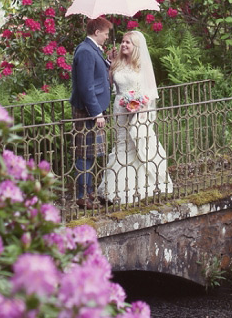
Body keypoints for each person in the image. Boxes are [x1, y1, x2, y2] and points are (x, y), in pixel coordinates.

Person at [98, 29, 173, 204]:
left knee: (137, 144)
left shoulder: (142, 66)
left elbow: (151, 93)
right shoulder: (117, 63)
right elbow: (109, 83)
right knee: (122, 144)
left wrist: (140, 107)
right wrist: (110, 62)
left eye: (128, 42)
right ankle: (117, 186)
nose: (124, 44)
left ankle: (142, 186)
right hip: (120, 109)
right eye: (123, 41)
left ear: (136, 47)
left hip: (139, 110)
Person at [70, 16, 112, 205]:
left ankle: (87, 192)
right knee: (83, 154)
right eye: (105, 34)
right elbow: (86, 87)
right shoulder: (86, 51)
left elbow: (96, 76)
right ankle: (81, 197)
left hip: (91, 109)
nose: (107, 37)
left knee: (89, 154)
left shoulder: (91, 49)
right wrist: (96, 112)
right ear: (97, 32)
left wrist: (108, 60)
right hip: (87, 111)